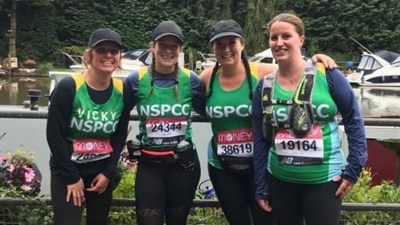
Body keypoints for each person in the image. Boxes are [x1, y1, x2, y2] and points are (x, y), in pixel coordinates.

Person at [199, 19, 337, 225]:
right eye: (220, 44)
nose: (226, 49)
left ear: (242, 44)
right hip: (222, 166)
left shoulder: (261, 73)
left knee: (266, 220)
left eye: (232, 43)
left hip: (260, 165)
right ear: (213, 48)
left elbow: (292, 66)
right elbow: (194, 104)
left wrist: (316, 60)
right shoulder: (207, 78)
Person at [252, 13, 368, 225]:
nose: (279, 43)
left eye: (286, 36)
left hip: (324, 181)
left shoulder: (328, 74)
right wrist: (260, 184)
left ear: (301, 40)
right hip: (280, 180)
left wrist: (354, 168)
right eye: (273, 38)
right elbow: (259, 137)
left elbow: (353, 118)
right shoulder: (264, 85)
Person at [124, 20, 206, 225]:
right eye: (163, 45)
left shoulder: (192, 80)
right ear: (153, 47)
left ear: (180, 50)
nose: (168, 51)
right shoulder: (135, 79)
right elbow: (119, 116)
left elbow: (211, 110)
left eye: (173, 46)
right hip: (150, 166)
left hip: (183, 165)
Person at [46, 28, 131, 225]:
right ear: (90, 55)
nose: (108, 55)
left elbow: (119, 136)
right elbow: (54, 135)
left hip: (100, 172)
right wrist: (71, 177)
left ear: (119, 57)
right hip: (67, 170)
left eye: (114, 51)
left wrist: (108, 173)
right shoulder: (69, 87)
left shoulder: (122, 90)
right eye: (101, 50)